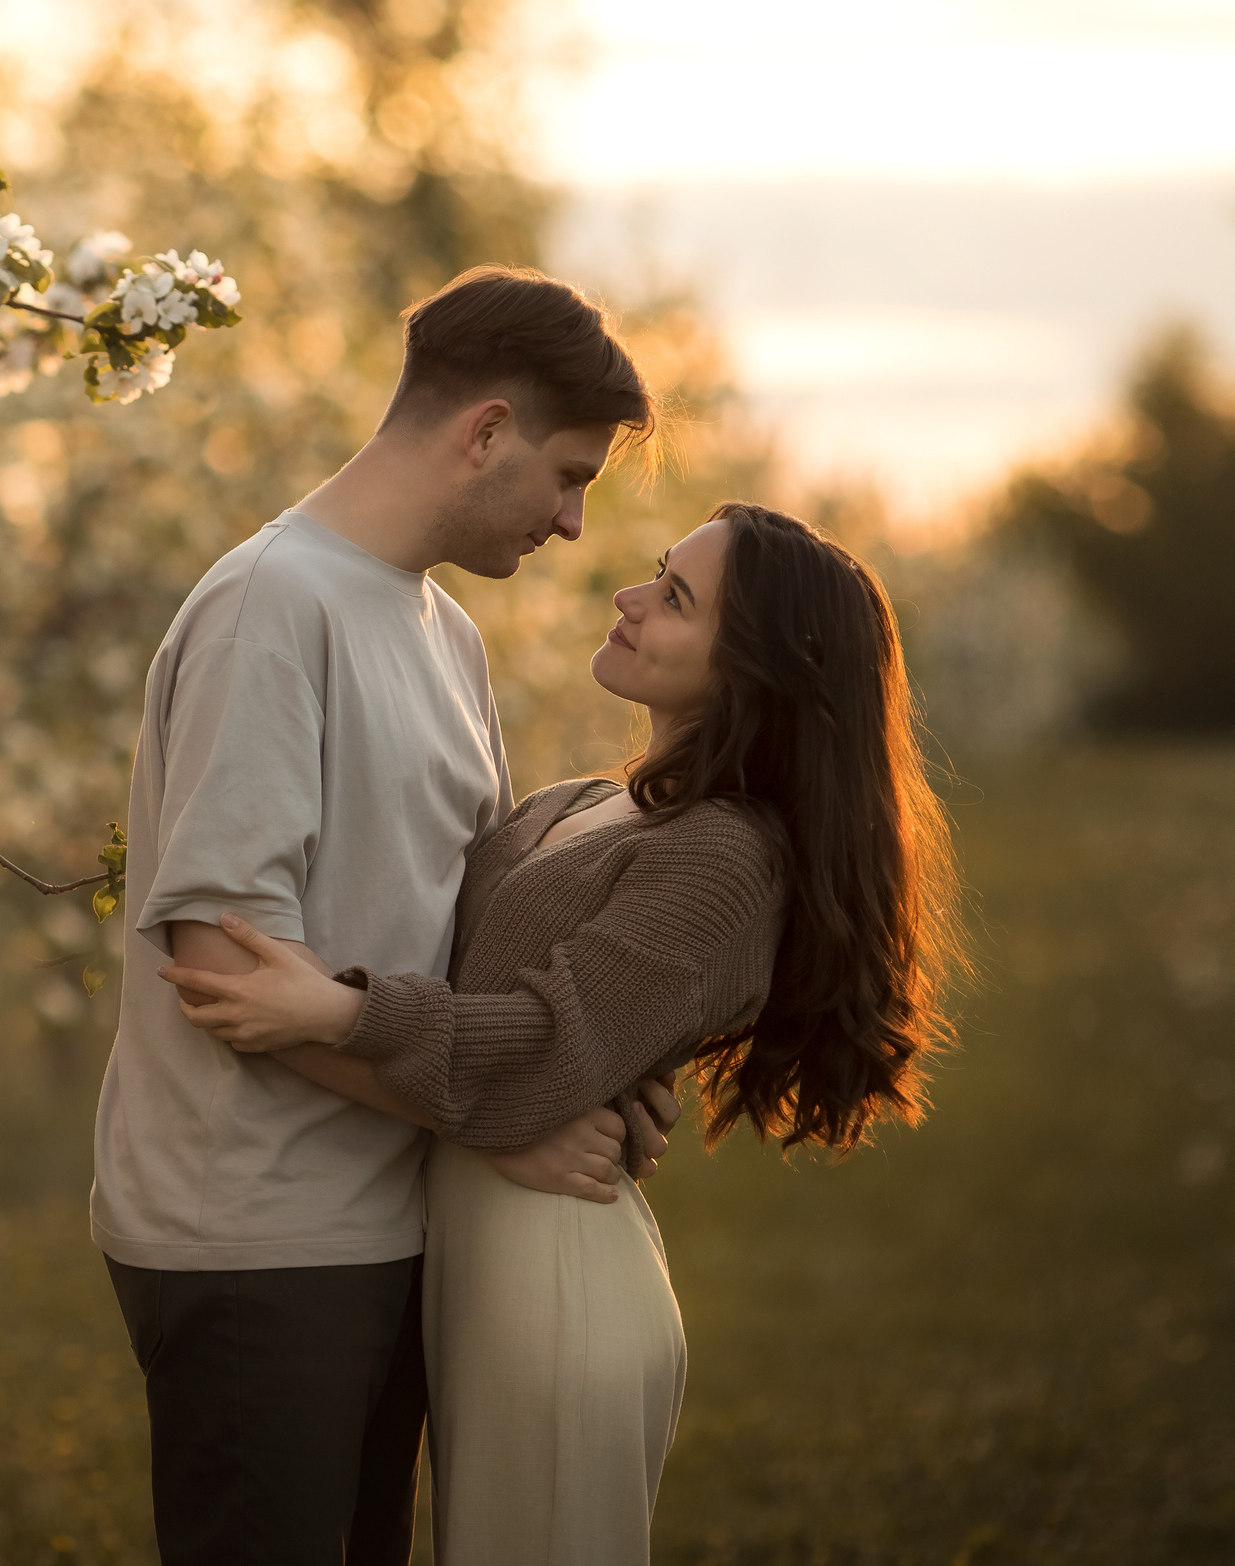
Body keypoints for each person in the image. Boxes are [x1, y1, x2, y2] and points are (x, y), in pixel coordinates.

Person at [164, 502, 965, 1565]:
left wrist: (345, 1012)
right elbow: (499, 993)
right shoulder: (586, 804)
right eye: (655, 573)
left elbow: (548, 1046)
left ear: (753, 668)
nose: (629, 598)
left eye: (675, 598)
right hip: (468, 1252)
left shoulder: (724, 856)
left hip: (551, 1279)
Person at [89, 265, 672, 1566]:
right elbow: (225, 973)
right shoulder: (269, 607)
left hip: (390, 1214)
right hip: (254, 1236)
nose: (575, 523)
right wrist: (501, 1120)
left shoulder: (443, 632)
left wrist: (589, 1062)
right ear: (484, 430)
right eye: (569, 474)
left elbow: (462, 943)